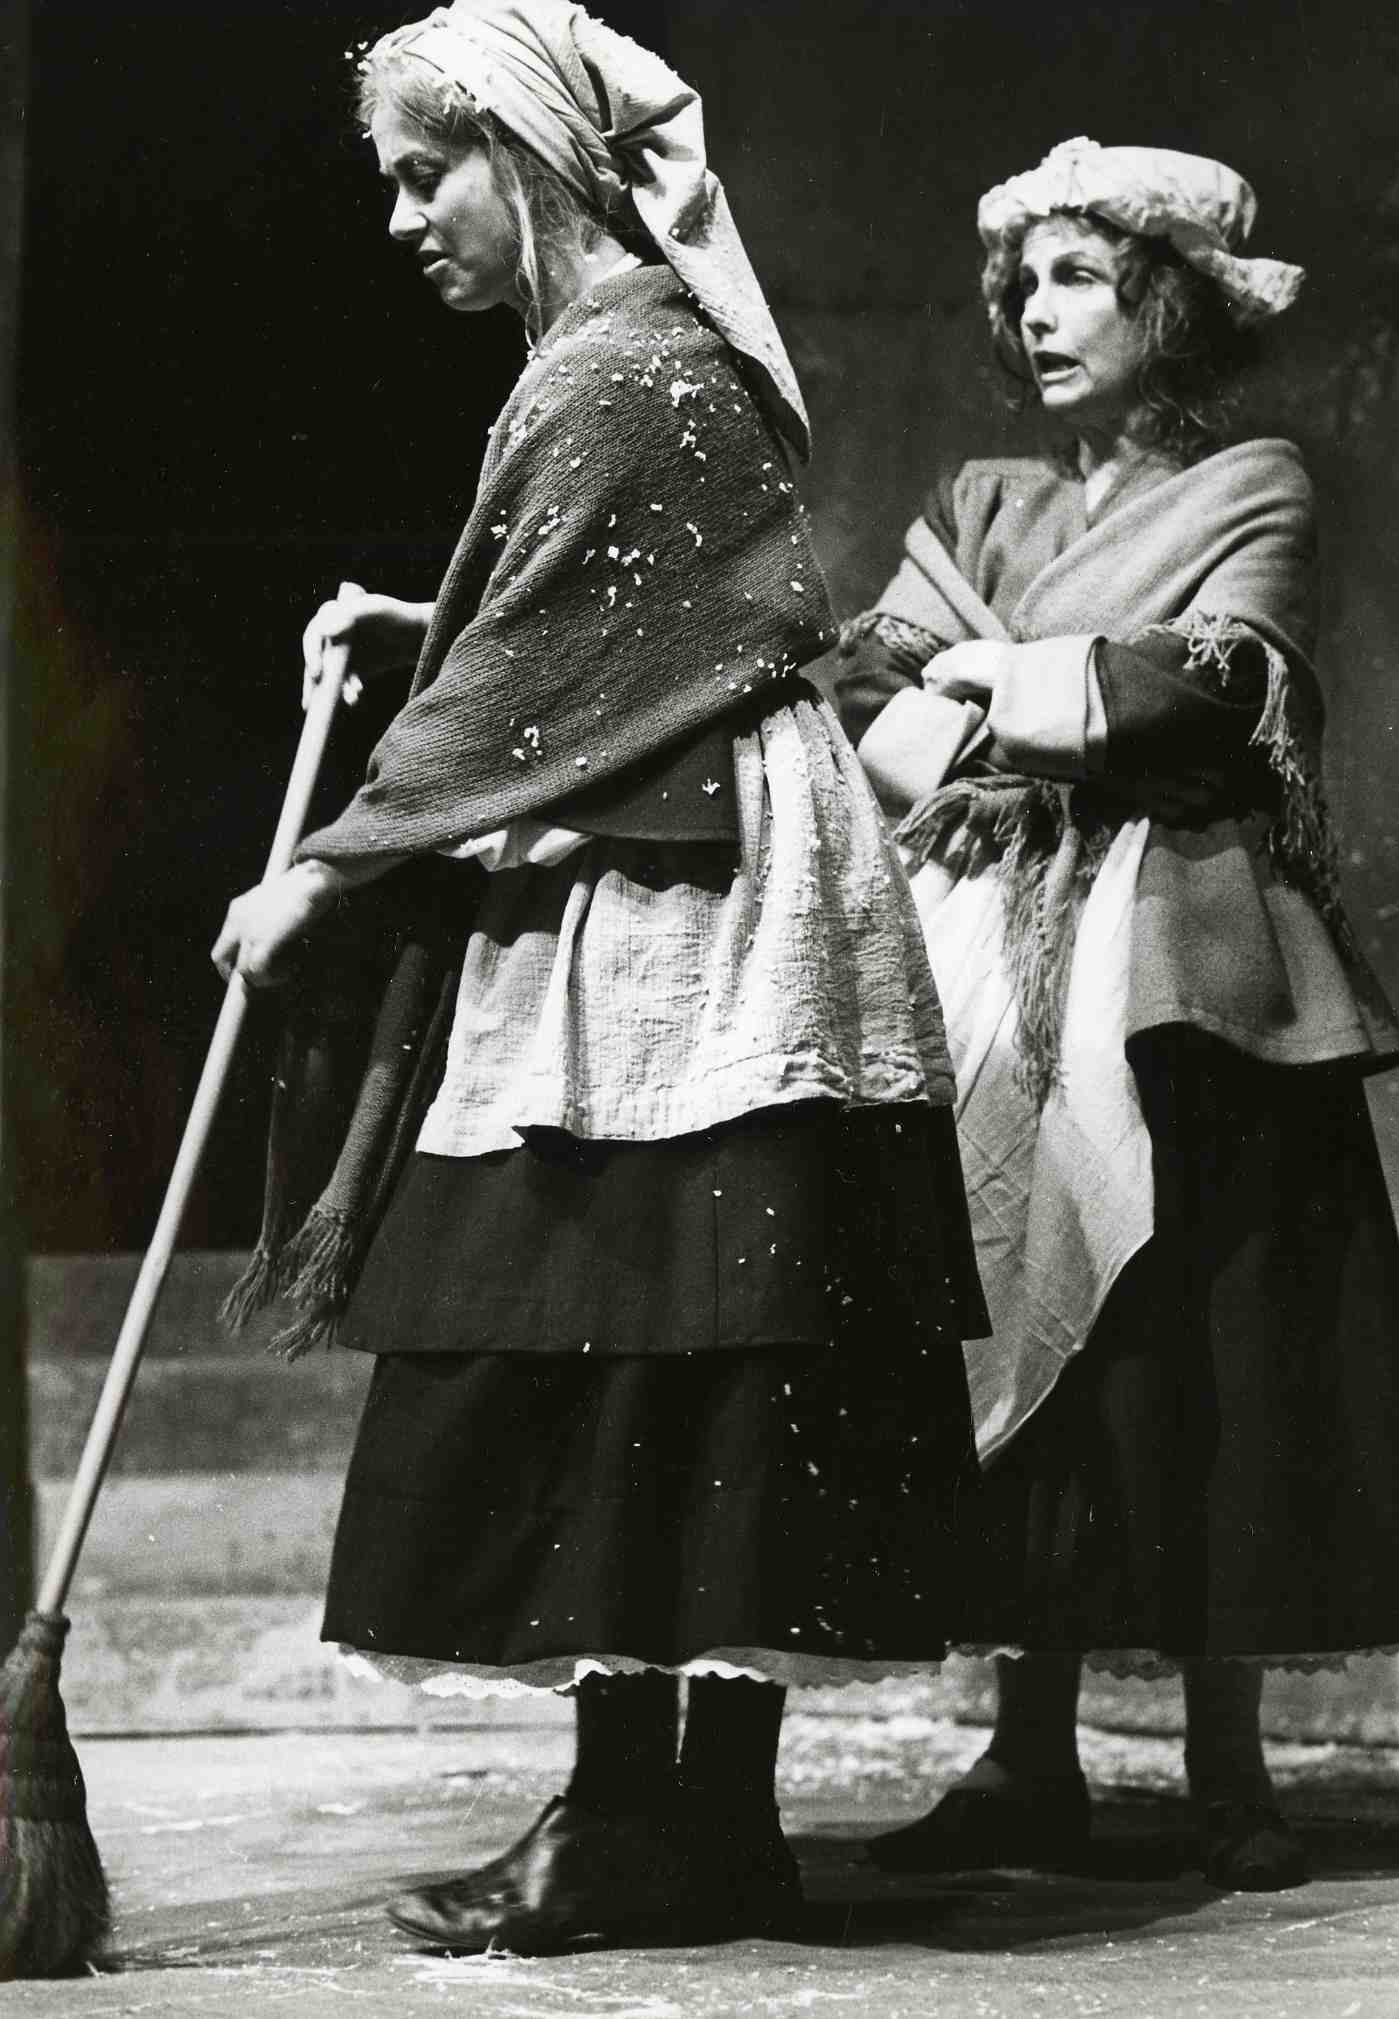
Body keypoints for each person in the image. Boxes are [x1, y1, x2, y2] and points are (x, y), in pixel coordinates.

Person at [212, 0, 984, 1957]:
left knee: (647, 1306)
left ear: (532, 153)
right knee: (678, 1325)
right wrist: (427, 621)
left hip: (688, 905)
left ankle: (649, 1818)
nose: (405, 218)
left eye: (427, 173)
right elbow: (606, 623)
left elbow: (551, 662)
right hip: (677, 848)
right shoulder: (636, 346)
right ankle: (687, 1816)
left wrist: (331, 866)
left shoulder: (623, 359)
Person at [836, 137, 1399, 1893]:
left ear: (1175, 304)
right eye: (1025, 283)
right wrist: (1003, 703)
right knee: (1018, 1308)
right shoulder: (988, 499)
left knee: (1202, 1342)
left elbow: (1207, 698)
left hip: (1181, 964)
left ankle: (1230, 1769)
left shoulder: (1255, 484)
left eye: (1080, 277)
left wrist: (987, 678)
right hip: (991, 951)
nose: (1038, 309)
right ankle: (1029, 1755)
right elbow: (862, 681)